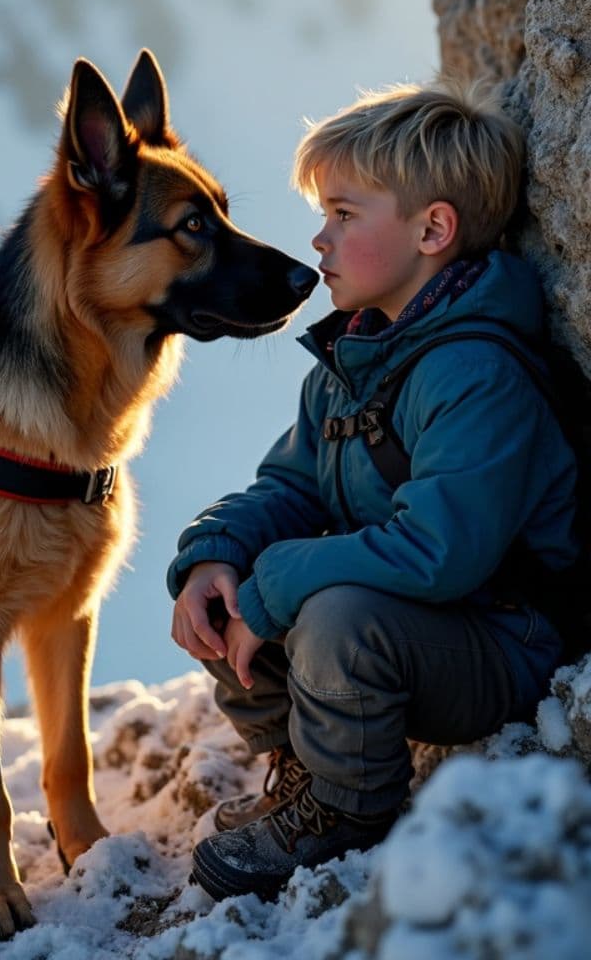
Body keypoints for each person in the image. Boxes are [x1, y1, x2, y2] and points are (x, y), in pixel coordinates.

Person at [167, 80, 578, 903]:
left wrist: (277, 585)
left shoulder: (476, 373)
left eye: (344, 216)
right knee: (234, 585)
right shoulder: (355, 359)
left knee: (330, 612)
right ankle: (309, 770)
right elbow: (290, 485)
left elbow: (438, 554)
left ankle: (348, 809)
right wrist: (216, 554)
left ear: (433, 229)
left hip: (502, 637)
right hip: (422, 629)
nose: (317, 240)